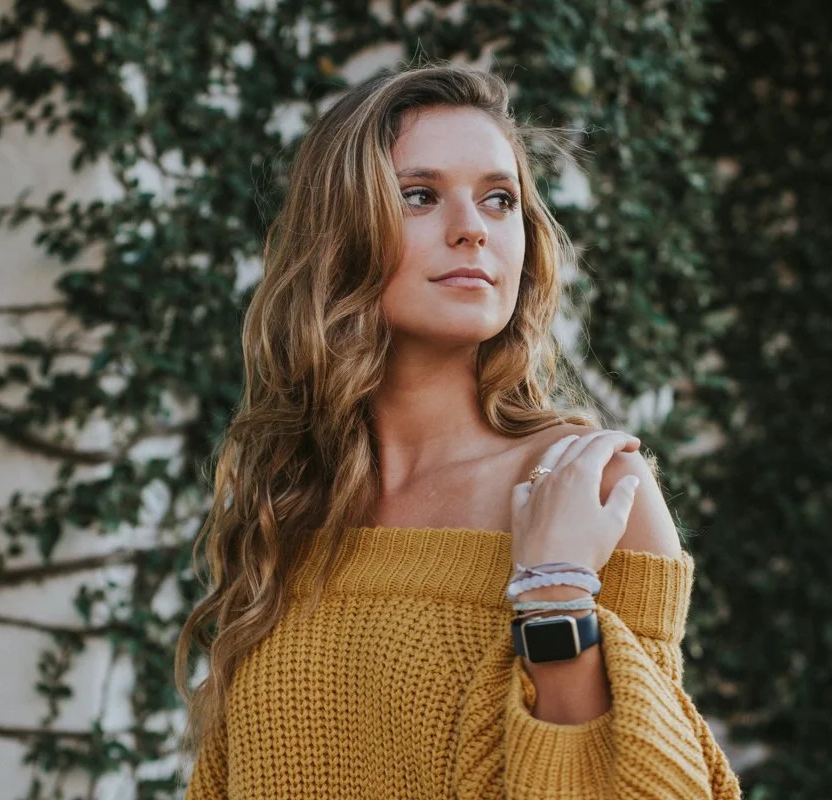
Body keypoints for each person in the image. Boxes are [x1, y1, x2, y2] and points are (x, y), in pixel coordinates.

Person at [175, 62, 741, 799]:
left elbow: (645, 785)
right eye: (419, 196)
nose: (472, 229)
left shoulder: (588, 484)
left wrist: (554, 596)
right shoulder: (289, 506)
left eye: (499, 200)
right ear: (342, 234)